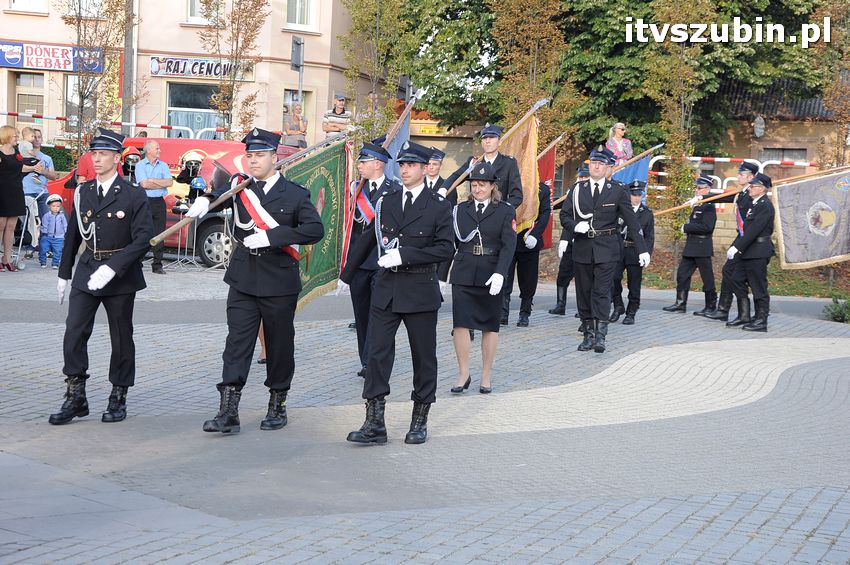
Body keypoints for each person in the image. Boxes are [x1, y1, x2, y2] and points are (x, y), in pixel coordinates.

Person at [186, 128, 324, 434]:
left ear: (275, 157)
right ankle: (228, 411)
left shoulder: (295, 194)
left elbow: (315, 230)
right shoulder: (240, 187)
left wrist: (274, 236)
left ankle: (277, 404)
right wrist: (205, 200)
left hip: (279, 282)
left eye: (260, 155)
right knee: (236, 344)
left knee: (278, 345)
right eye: (249, 155)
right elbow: (218, 197)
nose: (254, 161)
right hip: (243, 278)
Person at [339, 140, 453, 445]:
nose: (405, 170)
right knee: (376, 354)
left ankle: (419, 420)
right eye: (401, 165)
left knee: (423, 357)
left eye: (411, 165)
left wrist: (407, 255)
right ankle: (374, 422)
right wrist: (347, 274)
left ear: (424, 168)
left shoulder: (438, 205)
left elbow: (445, 248)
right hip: (387, 288)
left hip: (419, 288)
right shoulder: (386, 201)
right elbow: (368, 238)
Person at [49, 129, 153, 425]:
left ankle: (118, 396)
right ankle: (76, 396)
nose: (96, 159)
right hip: (87, 269)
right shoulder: (84, 191)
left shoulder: (134, 194)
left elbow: (144, 238)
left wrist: (113, 267)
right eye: (93, 153)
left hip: (119, 274)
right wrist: (64, 273)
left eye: (103, 154)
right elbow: (73, 233)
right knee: (74, 332)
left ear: (117, 159)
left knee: (121, 337)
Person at [559, 145, 650, 353]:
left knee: (601, 292)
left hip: (607, 248)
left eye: (601, 164)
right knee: (583, 292)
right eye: (593, 163)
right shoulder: (577, 190)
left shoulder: (617, 191)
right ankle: (588, 334)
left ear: (608, 167)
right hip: (582, 247)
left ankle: (600, 335)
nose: (596, 167)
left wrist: (642, 249)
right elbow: (565, 215)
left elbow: (632, 222)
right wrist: (574, 228)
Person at [446, 162, 516, 394]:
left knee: (489, 326)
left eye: (482, 185)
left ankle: (486, 375)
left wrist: (500, 273)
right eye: (474, 185)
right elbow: (450, 244)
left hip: (490, 271)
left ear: (492, 186)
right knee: (461, 324)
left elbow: (509, 245)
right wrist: (440, 276)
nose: (477, 189)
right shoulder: (459, 210)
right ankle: (463, 373)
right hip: (464, 270)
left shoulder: (505, 210)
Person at [347, 141, 401, 378]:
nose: (359, 165)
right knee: (361, 315)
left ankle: (375, 361)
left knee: (379, 315)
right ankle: (365, 359)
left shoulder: (395, 190)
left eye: (364, 161)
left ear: (378, 164)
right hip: (359, 263)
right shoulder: (355, 190)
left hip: (381, 262)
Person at [704, 162, 757, 321]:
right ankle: (726, 310)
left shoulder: (751, 195)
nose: (738, 176)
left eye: (742, 174)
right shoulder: (743, 193)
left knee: (736, 274)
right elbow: (726, 197)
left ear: (751, 177)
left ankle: (736, 311)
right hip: (741, 237)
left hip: (747, 239)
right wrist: (702, 198)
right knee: (730, 272)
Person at [726, 173, 774, 332]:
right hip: (749, 250)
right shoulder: (754, 204)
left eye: (753, 186)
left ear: (762, 189)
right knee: (735, 278)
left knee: (758, 285)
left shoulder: (765, 206)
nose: (750, 188)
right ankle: (744, 314)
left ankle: (761, 320)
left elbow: (753, 230)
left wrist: (737, 246)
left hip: (758, 251)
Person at [663, 174, 717, 315]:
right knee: (682, 274)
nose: (697, 191)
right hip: (692, 244)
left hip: (702, 245)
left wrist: (686, 227)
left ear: (707, 189)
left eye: (700, 188)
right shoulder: (698, 204)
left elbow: (707, 227)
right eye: (696, 188)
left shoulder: (709, 206)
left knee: (707, 278)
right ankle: (680, 303)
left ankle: (711, 306)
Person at [503, 179, 551, 327]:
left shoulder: (541, 189)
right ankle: (503, 312)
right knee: (505, 277)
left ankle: (525, 313)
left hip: (528, 240)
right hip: (509, 239)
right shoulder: (508, 186)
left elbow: (545, 213)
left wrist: (535, 235)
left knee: (528, 280)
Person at [444, 123, 523, 208]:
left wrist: (503, 211)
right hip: (476, 214)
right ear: (481, 142)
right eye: (484, 138)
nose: (487, 141)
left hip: (498, 215)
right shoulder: (474, 162)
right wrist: (442, 191)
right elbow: (456, 177)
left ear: (500, 142)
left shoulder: (508, 163)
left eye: (492, 138)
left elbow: (516, 196)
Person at [0, 125, 44, 272]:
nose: (17, 138)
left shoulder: (16, 151)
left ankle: (6, 259)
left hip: (16, 190)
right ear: (6, 136)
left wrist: (33, 168)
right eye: (14, 136)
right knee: (0, 226)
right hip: (2, 191)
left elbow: (19, 167)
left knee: (11, 227)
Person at [610, 180, 655, 325]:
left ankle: (631, 312)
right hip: (619, 249)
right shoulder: (620, 210)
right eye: (633, 194)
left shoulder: (646, 214)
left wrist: (646, 253)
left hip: (635, 251)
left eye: (639, 194)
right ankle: (618, 306)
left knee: (634, 284)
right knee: (613, 279)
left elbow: (649, 236)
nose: (636, 197)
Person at [549, 165, 589, 316]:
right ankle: (560, 305)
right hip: (571, 239)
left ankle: (584, 309)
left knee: (583, 279)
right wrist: (564, 239)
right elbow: (566, 216)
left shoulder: (592, 195)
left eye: (586, 177)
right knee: (563, 274)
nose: (583, 180)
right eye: (581, 177)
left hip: (585, 241)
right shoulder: (574, 191)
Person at [134, 140, 173, 275]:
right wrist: (160, 183)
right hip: (144, 202)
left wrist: (152, 180)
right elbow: (144, 184)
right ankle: (137, 262)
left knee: (160, 233)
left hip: (159, 202)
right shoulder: (140, 165)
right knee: (142, 232)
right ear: (149, 150)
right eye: (157, 148)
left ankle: (157, 265)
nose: (159, 150)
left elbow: (170, 182)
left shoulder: (163, 165)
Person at [22, 128, 58, 220]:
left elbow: (53, 176)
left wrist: (43, 172)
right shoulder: (22, 155)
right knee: (28, 223)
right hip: (27, 193)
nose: (37, 139)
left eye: (39, 137)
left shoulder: (47, 158)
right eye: (35, 137)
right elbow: (19, 169)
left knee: (46, 221)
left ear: (42, 139)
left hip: (43, 193)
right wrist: (33, 168)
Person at [39, 193, 67, 269]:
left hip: (59, 237)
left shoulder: (61, 216)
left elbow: (65, 225)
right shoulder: (47, 215)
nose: (56, 208)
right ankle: (43, 261)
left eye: (58, 206)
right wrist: (44, 233)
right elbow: (44, 224)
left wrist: (65, 232)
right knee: (43, 249)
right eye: (53, 206)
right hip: (47, 236)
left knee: (58, 251)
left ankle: (55, 263)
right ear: (49, 206)